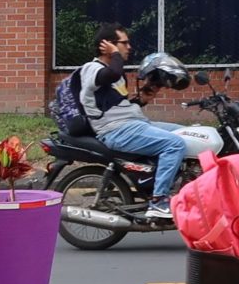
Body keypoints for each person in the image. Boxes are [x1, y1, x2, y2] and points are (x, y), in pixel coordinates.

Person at [59, 24, 188, 221]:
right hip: (115, 131)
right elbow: (111, 74)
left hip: (131, 125)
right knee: (174, 144)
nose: (129, 47)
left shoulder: (115, 76)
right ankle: (158, 201)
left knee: (187, 135)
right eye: (124, 43)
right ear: (107, 45)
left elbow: (117, 107)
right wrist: (115, 54)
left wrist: (142, 98)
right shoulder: (92, 68)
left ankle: (162, 183)